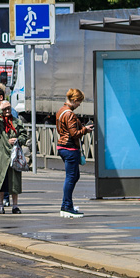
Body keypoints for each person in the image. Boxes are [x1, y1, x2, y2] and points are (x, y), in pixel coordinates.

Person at [0, 84, 28, 214]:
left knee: (14, 183)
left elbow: (24, 135)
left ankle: (15, 206)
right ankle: (0, 205)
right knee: (1, 183)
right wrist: (0, 108)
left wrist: (18, 140)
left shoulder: (16, 121)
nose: (7, 111)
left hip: (13, 156)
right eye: (5, 109)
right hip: (0, 156)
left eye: (9, 108)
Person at [56, 88, 93, 218]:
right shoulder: (70, 114)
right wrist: (85, 130)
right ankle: (66, 206)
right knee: (71, 177)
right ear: (75, 100)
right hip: (70, 148)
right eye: (79, 102)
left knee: (74, 176)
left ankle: (67, 204)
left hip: (63, 146)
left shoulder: (61, 111)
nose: (79, 105)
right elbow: (74, 133)